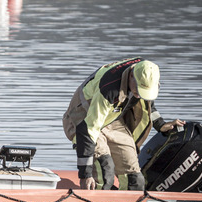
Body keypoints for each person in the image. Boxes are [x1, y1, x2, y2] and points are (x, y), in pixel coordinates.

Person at [62, 58, 185, 191]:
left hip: (112, 118)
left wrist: (160, 124)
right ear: (131, 76)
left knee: (135, 179)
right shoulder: (109, 89)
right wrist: (85, 174)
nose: (138, 96)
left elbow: (147, 104)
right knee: (105, 169)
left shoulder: (145, 72)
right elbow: (89, 129)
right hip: (84, 119)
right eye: (138, 91)